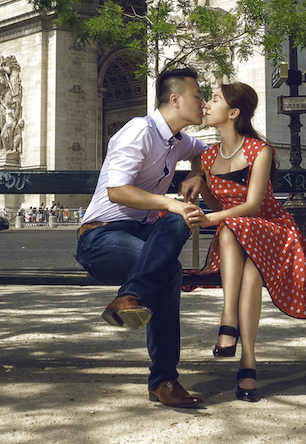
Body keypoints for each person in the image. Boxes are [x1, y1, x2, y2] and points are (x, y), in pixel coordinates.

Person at [193, 81, 306, 402]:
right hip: (240, 236)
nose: (206, 104)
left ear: (233, 112)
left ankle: (228, 319)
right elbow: (222, 207)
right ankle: (248, 361)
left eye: (214, 99)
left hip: (272, 230)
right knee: (247, 265)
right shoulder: (205, 156)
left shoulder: (260, 151)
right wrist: (199, 184)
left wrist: (207, 220)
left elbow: (252, 206)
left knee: (231, 228)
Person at [74, 67, 209, 408]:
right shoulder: (139, 130)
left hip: (142, 236)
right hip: (102, 237)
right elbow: (118, 191)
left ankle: (129, 297)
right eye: (198, 95)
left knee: (181, 220)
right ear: (176, 99)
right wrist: (169, 202)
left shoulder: (179, 140)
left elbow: (205, 153)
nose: (204, 102)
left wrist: (196, 174)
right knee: (170, 271)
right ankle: (163, 380)